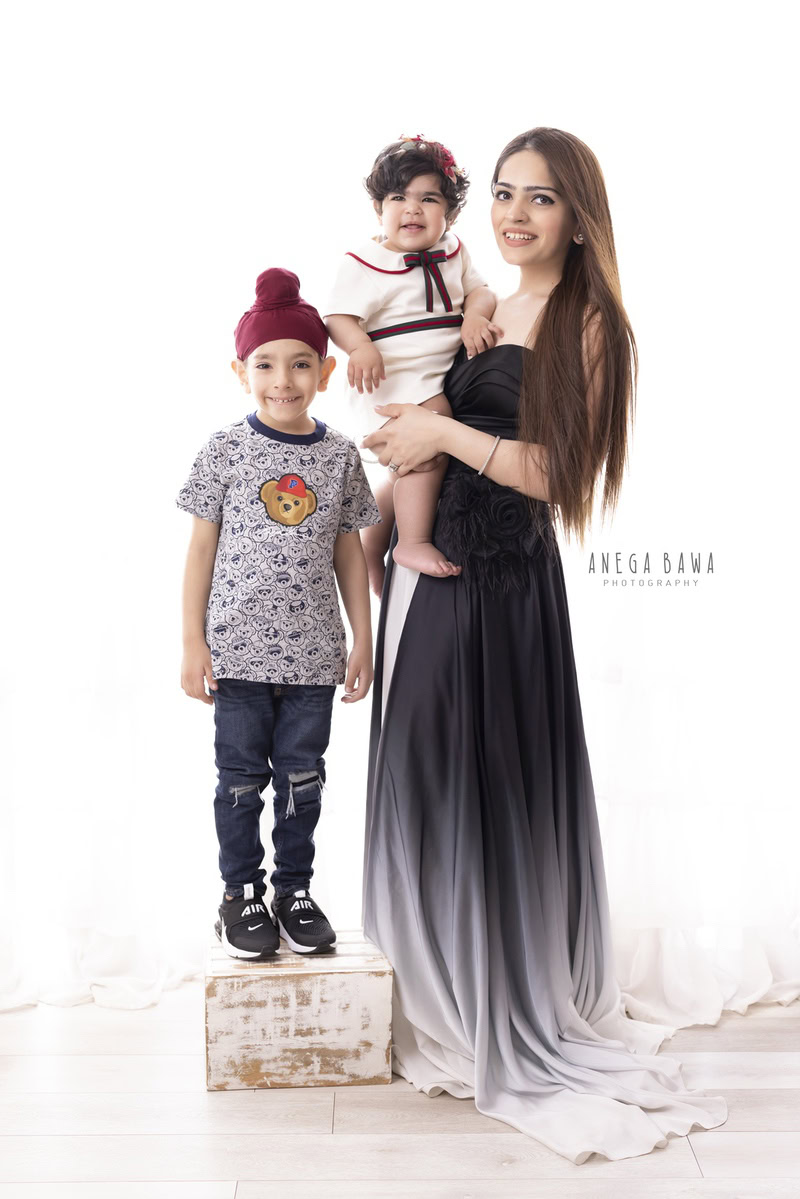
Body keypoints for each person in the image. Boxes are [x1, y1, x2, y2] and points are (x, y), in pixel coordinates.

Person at [359, 128, 729, 1163]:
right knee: (422, 770)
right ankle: (434, 984)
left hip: (502, 582)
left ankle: (499, 1000)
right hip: (427, 573)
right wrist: (373, 518)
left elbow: (557, 474)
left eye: (543, 199)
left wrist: (442, 437)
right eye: (507, 193)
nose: (516, 214)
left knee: (488, 781)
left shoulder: (592, 320)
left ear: (579, 218)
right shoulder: (479, 302)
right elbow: (421, 412)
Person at [177, 268, 380, 960]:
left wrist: (363, 637)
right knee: (239, 781)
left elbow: (350, 552)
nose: (283, 379)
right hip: (234, 655)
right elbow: (201, 550)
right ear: (241, 370)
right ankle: (241, 893)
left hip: (313, 657)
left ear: (325, 371)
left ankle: (295, 889)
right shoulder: (225, 449)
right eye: (266, 364)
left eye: (300, 364)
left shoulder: (339, 456)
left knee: (302, 778)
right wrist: (191, 642)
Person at [324, 135, 500, 596]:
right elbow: (339, 316)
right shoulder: (364, 262)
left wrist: (475, 316)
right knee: (429, 448)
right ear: (379, 208)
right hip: (390, 380)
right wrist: (360, 347)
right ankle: (413, 542)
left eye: (429, 199)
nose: (413, 209)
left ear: (452, 213)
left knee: (412, 469)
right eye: (398, 198)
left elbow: (482, 291)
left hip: (431, 374)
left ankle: (373, 539)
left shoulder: (453, 252)